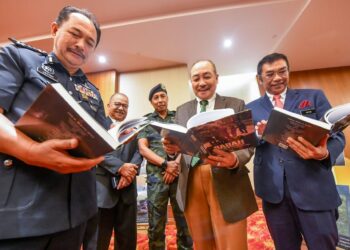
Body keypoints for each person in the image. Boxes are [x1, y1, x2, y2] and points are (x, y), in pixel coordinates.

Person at [0, 6, 106, 249]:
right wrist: (28, 150)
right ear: (55, 29)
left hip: (77, 212)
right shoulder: (18, 57)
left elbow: (101, 138)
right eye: (75, 34)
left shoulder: (92, 91)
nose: (82, 45)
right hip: (22, 211)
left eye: (90, 42)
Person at [246, 53, 346, 250]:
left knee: (323, 245)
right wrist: (258, 136)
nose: (277, 78)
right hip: (275, 195)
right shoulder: (250, 109)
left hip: (314, 188)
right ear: (260, 79)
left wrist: (325, 154)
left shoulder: (313, 97)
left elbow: (337, 137)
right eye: (270, 74)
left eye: (282, 71)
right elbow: (247, 145)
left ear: (288, 72)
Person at [163, 60, 258, 250]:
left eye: (207, 76)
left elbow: (248, 144)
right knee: (202, 242)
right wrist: (172, 150)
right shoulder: (182, 110)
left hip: (226, 176)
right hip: (190, 181)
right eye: (196, 78)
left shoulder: (235, 104)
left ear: (217, 78)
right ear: (191, 82)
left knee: (233, 243)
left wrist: (234, 160)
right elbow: (179, 144)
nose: (202, 82)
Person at [137, 83, 193, 250]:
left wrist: (175, 164)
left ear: (167, 98)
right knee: (156, 223)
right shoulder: (146, 121)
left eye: (163, 96)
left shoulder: (178, 116)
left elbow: (188, 142)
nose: (160, 100)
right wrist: (165, 164)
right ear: (151, 102)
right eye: (156, 97)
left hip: (179, 174)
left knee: (184, 220)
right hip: (156, 178)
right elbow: (142, 148)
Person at [96, 93, 142, 250]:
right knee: (99, 239)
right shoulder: (97, 124)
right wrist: (121, 168)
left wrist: (129, 173)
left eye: (125, 105)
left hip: (127, 190)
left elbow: (139, 152)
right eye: (117, 104)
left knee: (127, 240)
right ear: (108, 106)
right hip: (103, 191)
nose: (121, 108)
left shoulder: (134, 128)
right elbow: (97, 151)